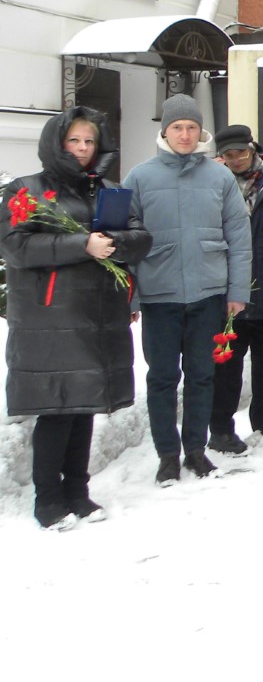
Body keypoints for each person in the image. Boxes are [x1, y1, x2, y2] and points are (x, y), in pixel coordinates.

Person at [2, 108, 152, 527]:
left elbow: (141, 237)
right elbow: (15, 247)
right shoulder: (27, 190)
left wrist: (113, 242)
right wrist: (80, 245)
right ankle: (48, 500)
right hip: (51, 317)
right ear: (57, 143)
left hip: (97, 315)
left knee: (83, 406)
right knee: (57, 409)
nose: (84, 149)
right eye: (75, 141)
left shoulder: (109, 190)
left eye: (89, 141)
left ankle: (78, 492)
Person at [123, 95, 251, 483]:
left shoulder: (220, 177)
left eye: (191, 127)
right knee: (162, 378)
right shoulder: (140, 177)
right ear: (164, 131)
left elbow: (238, 237)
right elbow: (125, 240)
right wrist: (131, 296)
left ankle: (195, 450)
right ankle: (166, 454)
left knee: (201, 375)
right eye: (177, 127)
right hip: (159, 295)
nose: (184, 134)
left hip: (208, 293)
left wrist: (237, 291)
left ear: (201, 132)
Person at [209, 124, 263, 453]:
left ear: (253, 148)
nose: (237, 159)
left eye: (241, 152)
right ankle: (221, 429)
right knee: (226, 365)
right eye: (229, 154)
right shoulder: (210, 182)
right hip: (227, 288)